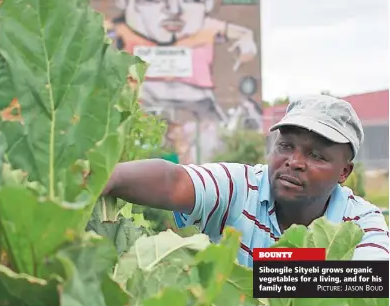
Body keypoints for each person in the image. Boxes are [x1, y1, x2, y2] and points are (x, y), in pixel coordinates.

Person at [103, 95, 389, 267]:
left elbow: (371, 282)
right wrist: (106, 176)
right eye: (286, 146)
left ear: (344, 172)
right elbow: (174, 181)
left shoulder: (362, 220)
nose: (294, 162)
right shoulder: (241, 186)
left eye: (316, 155)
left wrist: (256, 276)